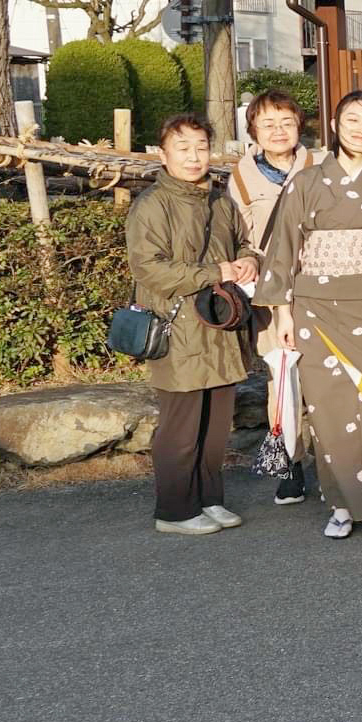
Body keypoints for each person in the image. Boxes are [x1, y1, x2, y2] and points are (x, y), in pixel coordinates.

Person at [259, 91, 362, 540]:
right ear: (334, 125)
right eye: (353, 119)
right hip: (316, 306)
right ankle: (342, 503)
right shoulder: (306, 183)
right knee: (328, 406)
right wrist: (283, 312)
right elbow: (284, 249)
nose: (361, 129)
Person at [127, 113, 257, 536]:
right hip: (177, 327)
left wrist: (248, 261)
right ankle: (175, 510)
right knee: (181, 426)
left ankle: (210, 498)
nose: (194, 156)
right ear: (163, 154)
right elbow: (149, 269)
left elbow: (243, 243)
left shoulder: (220, 200)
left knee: (217, 426)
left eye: (201, 146)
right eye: (182, 148)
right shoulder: (152, 205)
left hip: (221, 326)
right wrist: (216, 272)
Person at [227, 88, 320, 507]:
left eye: (286, 122)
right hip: (271, 291)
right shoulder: (242, 177)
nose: (278, 131)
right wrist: (246, 261)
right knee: (282, 380)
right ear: (253, 132)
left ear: (299, 125)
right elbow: (240, 236)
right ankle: (291, 464)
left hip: (323, 285)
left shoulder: (322, 163)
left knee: (330, 375)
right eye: (268, 124)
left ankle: (339, 462)